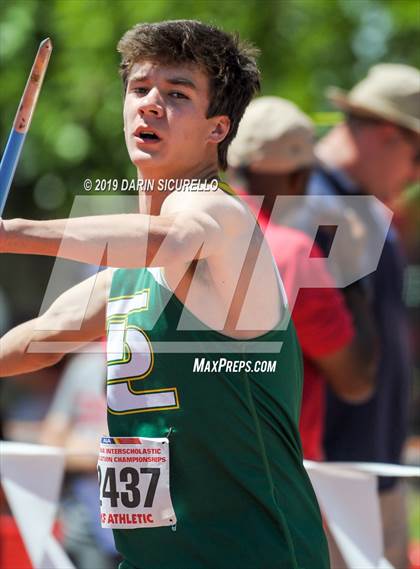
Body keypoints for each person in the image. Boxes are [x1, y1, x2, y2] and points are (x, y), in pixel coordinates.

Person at [0, 20, 329, 569]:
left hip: (253, 556)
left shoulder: (218, 217)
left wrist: (13, 234)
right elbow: (37, 341)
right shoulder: (125, 278)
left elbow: (170, 239)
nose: (150, 104)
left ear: (217, 129)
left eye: (176, 94)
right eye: (139, 89)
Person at [303, 64, 419, 568]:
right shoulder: (308, 204)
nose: (415, 176)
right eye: (419, 158)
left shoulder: (365, 208)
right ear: (390, 136)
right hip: (327, 480)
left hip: (376, 471)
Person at [227, 96, 377, 462]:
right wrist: (350, 271)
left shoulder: (174, 231)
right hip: (271, 487)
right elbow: (357, 380)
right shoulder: (291, 253)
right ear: (300, 176)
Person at [39, 352, 120, 569]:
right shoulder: (85, 365)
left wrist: (85, 447)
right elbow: (50, 443)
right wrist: (105, 452)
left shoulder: (162, 363)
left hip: (148, 523)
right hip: (85, 519)